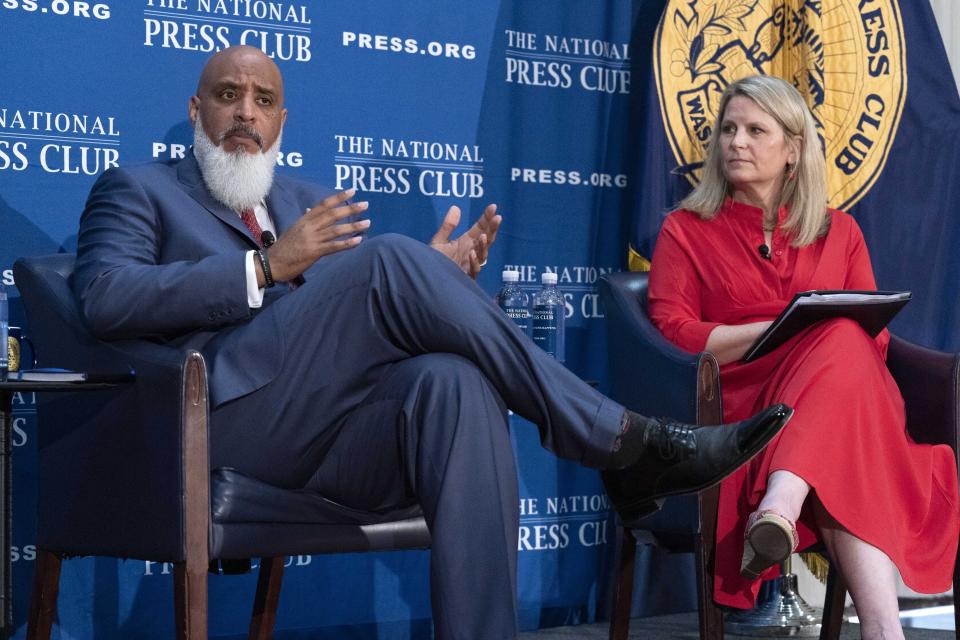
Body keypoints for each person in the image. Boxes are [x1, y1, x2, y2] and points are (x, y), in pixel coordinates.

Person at [72, 46, 791, 639]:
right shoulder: (139, 189)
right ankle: (618, 441)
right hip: (220, 423)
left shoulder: (303, 201)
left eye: (263, 101)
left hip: (333, 439)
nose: (246, 113)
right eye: (228, 95)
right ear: (196, 111)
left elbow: (345, 322)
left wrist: (433, 277)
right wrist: (266, 266)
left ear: (283, 121)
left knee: (453, 382)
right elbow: (105, 298)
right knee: (388, 262)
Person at [647, 74, 960, 640]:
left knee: (843, 342)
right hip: (740, 407)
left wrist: (816, 337)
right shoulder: (686, 230)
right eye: (728, 129)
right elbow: (674, 334)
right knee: (844, 417)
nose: (735, 142)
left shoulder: (839, 231)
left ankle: (781, 503)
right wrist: (774, 330)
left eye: (755, 130)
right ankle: (883, 631)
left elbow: (875, 340)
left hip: (838, 398)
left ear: (792, 149)